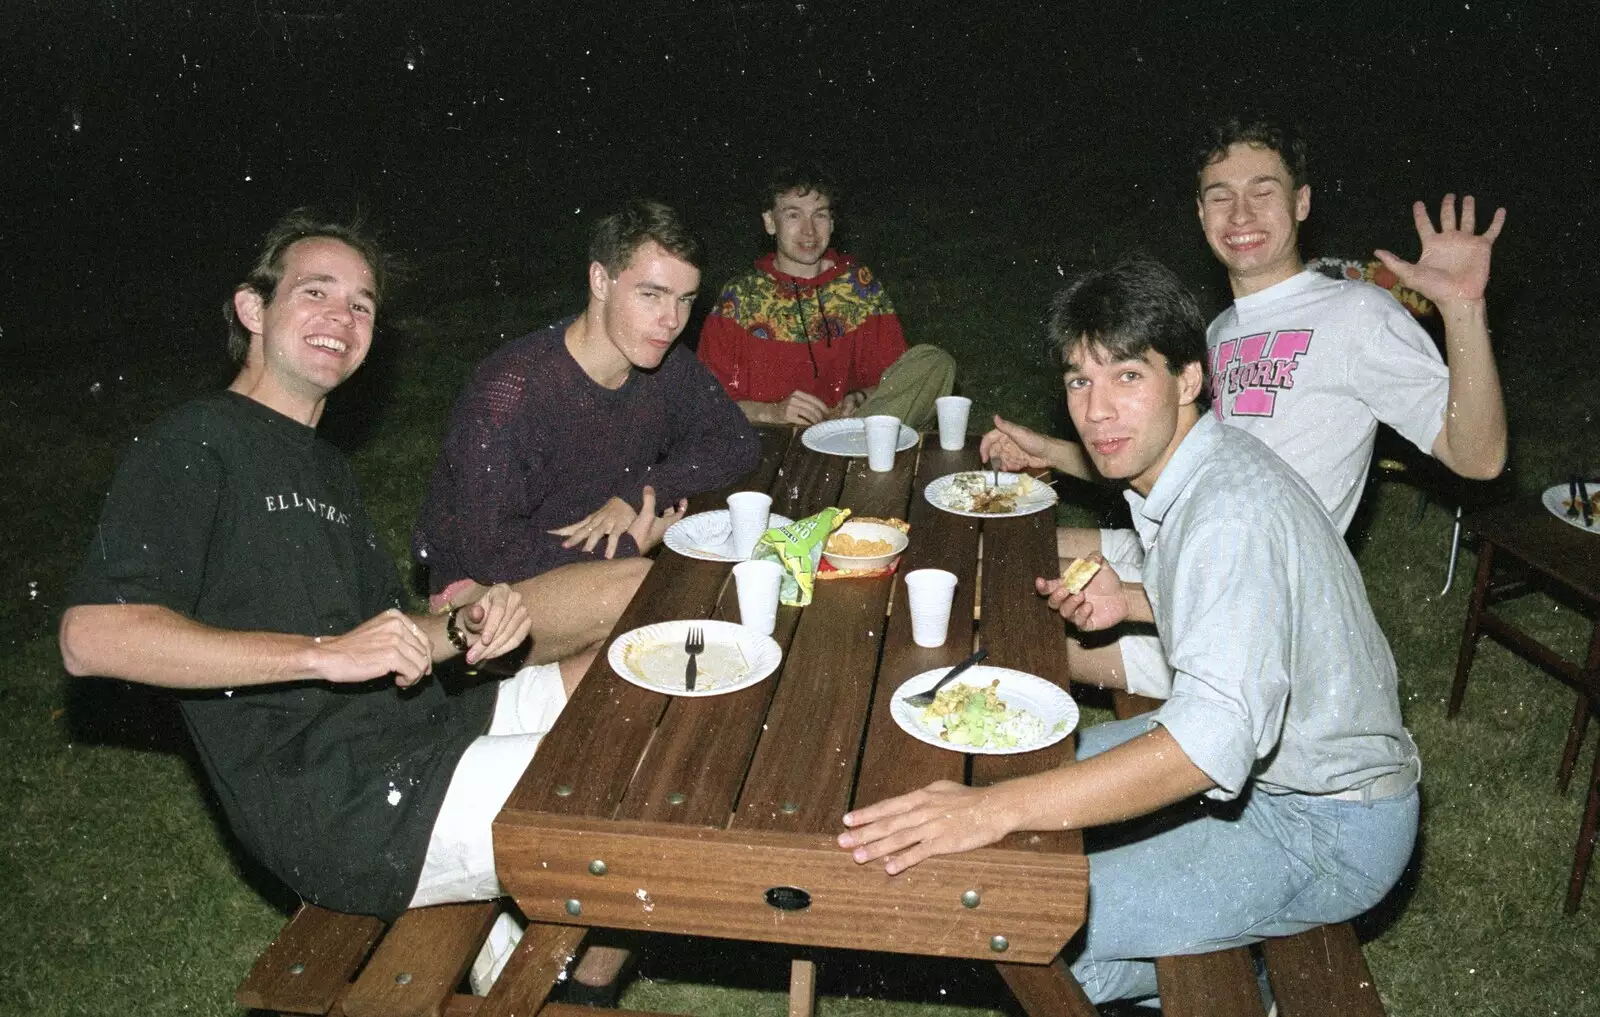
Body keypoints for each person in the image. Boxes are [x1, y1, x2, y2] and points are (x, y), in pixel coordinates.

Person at [839, 258, 1421, 1005]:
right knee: (1012, 768)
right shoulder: (1194, 468)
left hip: (1323, 825)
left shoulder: (1227, 512)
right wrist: (1145, 601)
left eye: (1127, 377)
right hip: (1273, 780)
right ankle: (1211, 945)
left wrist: (993, 811)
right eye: (1080, 381)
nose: (1098, 410)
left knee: (1004, 895)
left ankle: (1247, 984)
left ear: (1188, 379)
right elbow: (1252, 610)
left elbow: (1208, 744)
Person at [58, 212, 559, 984]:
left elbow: (390, 640)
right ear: (252, 310)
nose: (344, 317)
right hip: (345, 805)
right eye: (316, 292)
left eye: (361, 304)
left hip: (420, 736)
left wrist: (466, 622)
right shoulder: (195, 442)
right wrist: (322, 655)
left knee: (629, 688)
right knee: (605, 784)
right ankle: (556, 970)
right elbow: (92, 637)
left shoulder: (326, 469)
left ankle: (518, 957)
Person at [982, 114, 1507, 697]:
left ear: (1303, 202)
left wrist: (1463, 310)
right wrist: (1052, 452)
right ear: (1201, 213)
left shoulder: (1356, 314)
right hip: (1181, 557)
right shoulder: (1220, 332)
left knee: (1004, 626)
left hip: (1254, 610)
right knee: (995, 548)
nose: (1240, 215)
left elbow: (1477, 456)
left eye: (1264, 192)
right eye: (1220, 196)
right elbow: (1171, 469)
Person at [412, 199, 760, 671]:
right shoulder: (514, 391)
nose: (671, 320)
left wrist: (639, 494)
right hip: (480, 598)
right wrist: (621, 546)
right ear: (600, 280)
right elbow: (488, 548)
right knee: (651, 596)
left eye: (685, 300)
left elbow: (736, 441)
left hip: (586, 574)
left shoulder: (664, 365)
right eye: (651, 295)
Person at [696, 162, 956, 430]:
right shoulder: (740, 297)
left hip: (846, 428)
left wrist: (859, 397)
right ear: (770, 222)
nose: (809, 231)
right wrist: (773, 412)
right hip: (769, 440)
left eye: (819, 215)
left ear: (832, 223)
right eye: (793, 215)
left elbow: (891, 379)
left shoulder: (857, 288)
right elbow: (705, 401)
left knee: (934, 362)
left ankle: (858, 441)